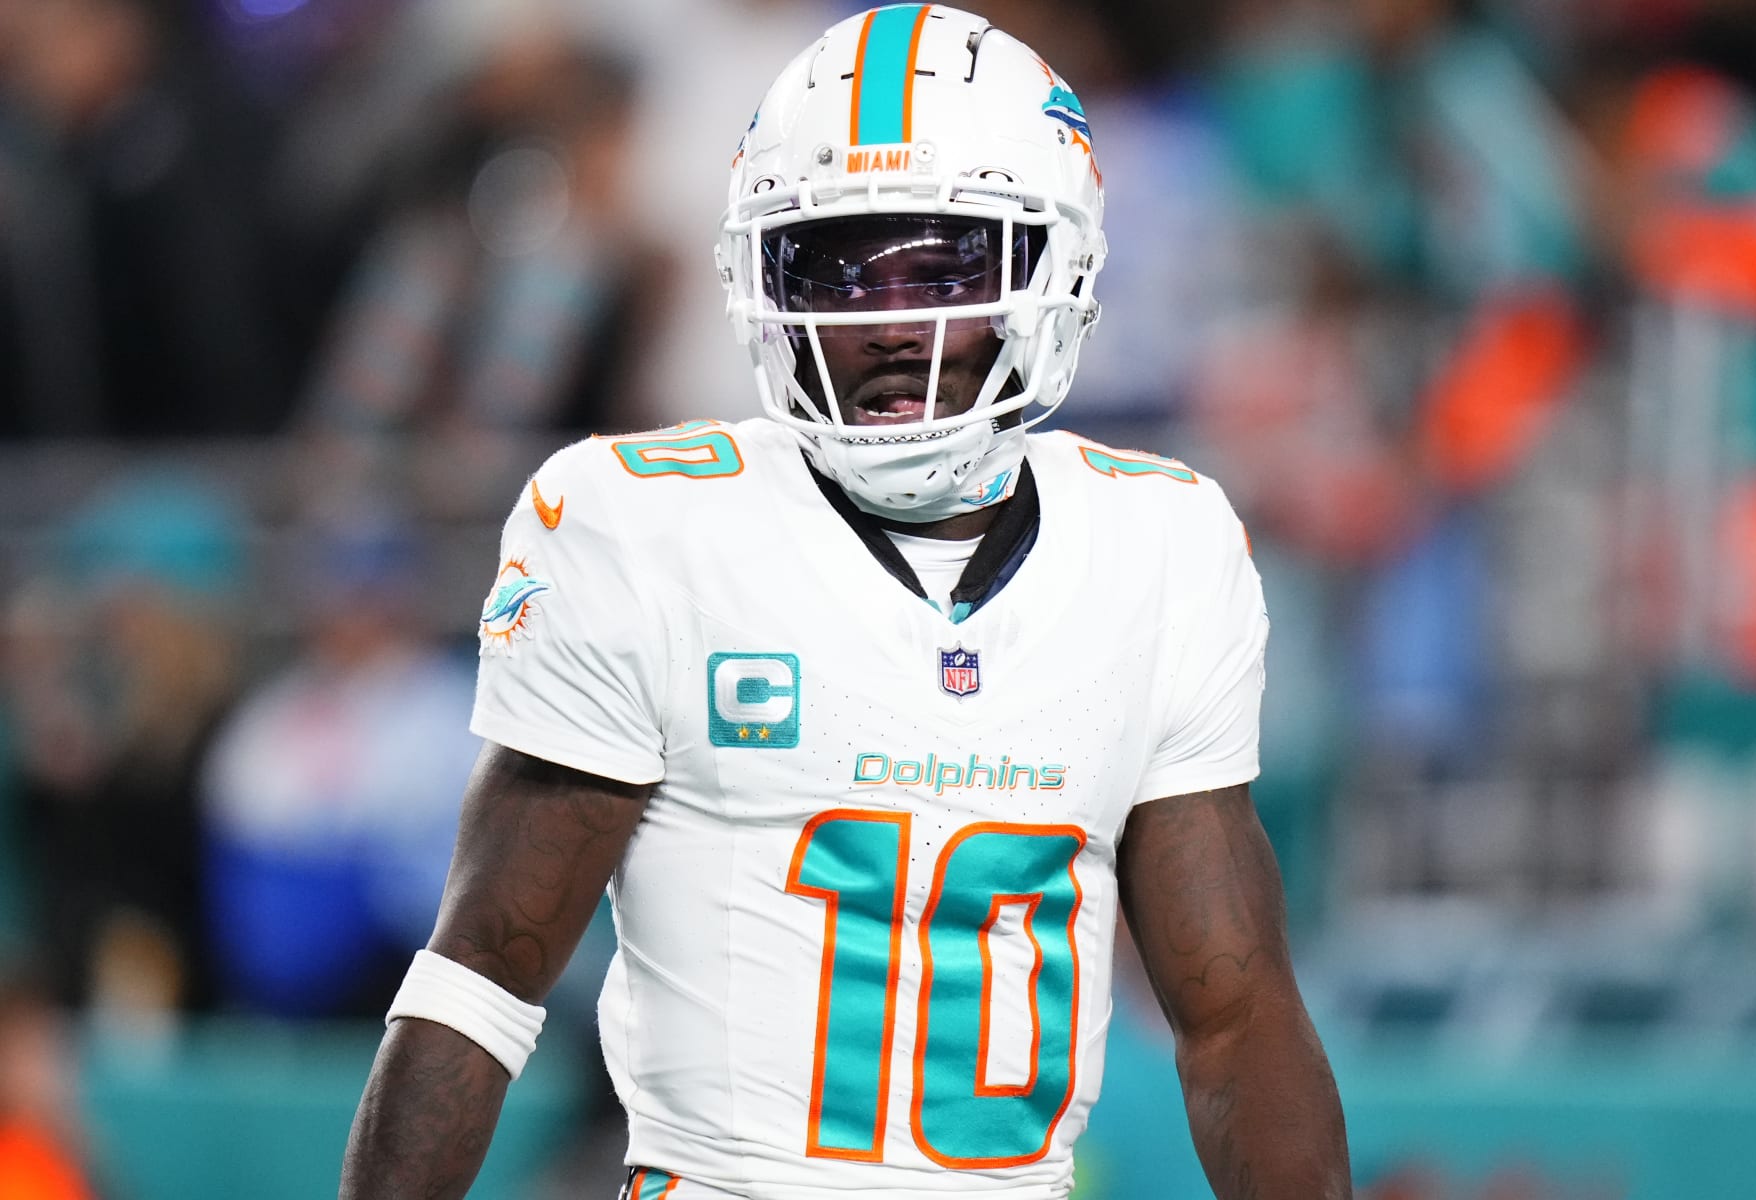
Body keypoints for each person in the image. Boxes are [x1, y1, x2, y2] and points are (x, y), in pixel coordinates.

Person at [340, 7, 1351, 1199]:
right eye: (836, 268)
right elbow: (482, 977)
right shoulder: (645, 529)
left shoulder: (1159, 547)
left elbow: (1233, 1018)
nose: (884, 322)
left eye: (943, 267)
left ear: (1053, 269)